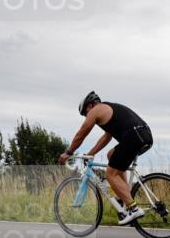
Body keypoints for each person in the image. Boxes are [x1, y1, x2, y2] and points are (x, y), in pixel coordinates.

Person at [59, 91, 153, 225]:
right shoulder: (109, 110)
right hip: (145, 135)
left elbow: (81, 134)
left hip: (133, 138)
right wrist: (91, 153)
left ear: (89, 106)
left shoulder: (96, 110)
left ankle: (133, 208)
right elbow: (106, 137)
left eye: (85, 113)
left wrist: (68, 152)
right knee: (111, 156)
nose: (86, 116)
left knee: (110, 174)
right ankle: (124, 197)